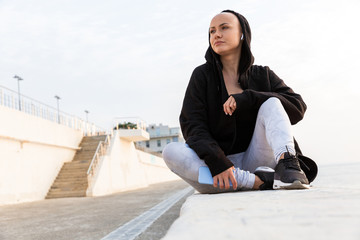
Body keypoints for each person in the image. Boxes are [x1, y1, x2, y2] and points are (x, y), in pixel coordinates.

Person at [163, 9, 317, 193]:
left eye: (224, 27)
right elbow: (193, 125)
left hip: (258, 160)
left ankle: (288, 167)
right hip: (219, 171)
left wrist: (248, 98)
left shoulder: (263, 74)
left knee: (272, 103)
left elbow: (297, 107)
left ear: (242, 34)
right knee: (171, 152)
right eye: (212, 31)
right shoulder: (202, 76)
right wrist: (218, 162)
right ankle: (258, 182)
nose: (216, 34)